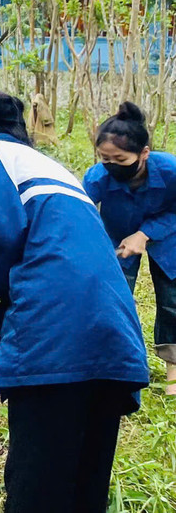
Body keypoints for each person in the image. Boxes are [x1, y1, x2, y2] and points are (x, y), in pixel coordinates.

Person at [0, 92, 149, 512]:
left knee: (37, 489)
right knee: (84, 486)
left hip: (56, 334)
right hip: (116, 334)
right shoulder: (55, 169)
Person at [83, 102, 176, 397]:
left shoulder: (171, 171)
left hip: (169, 236)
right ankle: (119, 368)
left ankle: (174, 375)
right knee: (114, 298)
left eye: (119, 159)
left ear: (144, 154)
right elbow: (81, 214)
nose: (110, 165)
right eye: (104, 158)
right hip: (116, 238)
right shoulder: (96, 178)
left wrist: (146, 233)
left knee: (173, 300)